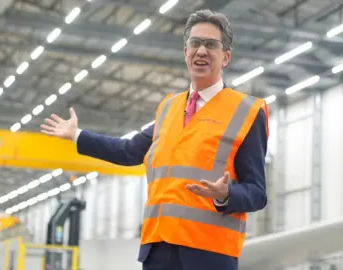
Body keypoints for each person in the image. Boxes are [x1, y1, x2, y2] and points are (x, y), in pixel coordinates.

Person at [41, 9, 269, 270]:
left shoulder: (247, 111)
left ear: (225, 56)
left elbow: (258, 192)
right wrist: (78, 135)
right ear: (186, 53)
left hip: (209, 255)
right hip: (157, 251)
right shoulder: (168, 109)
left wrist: (226, 194)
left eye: (210, 45)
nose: (201, 51)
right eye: (195, 43)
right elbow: (128, 152)